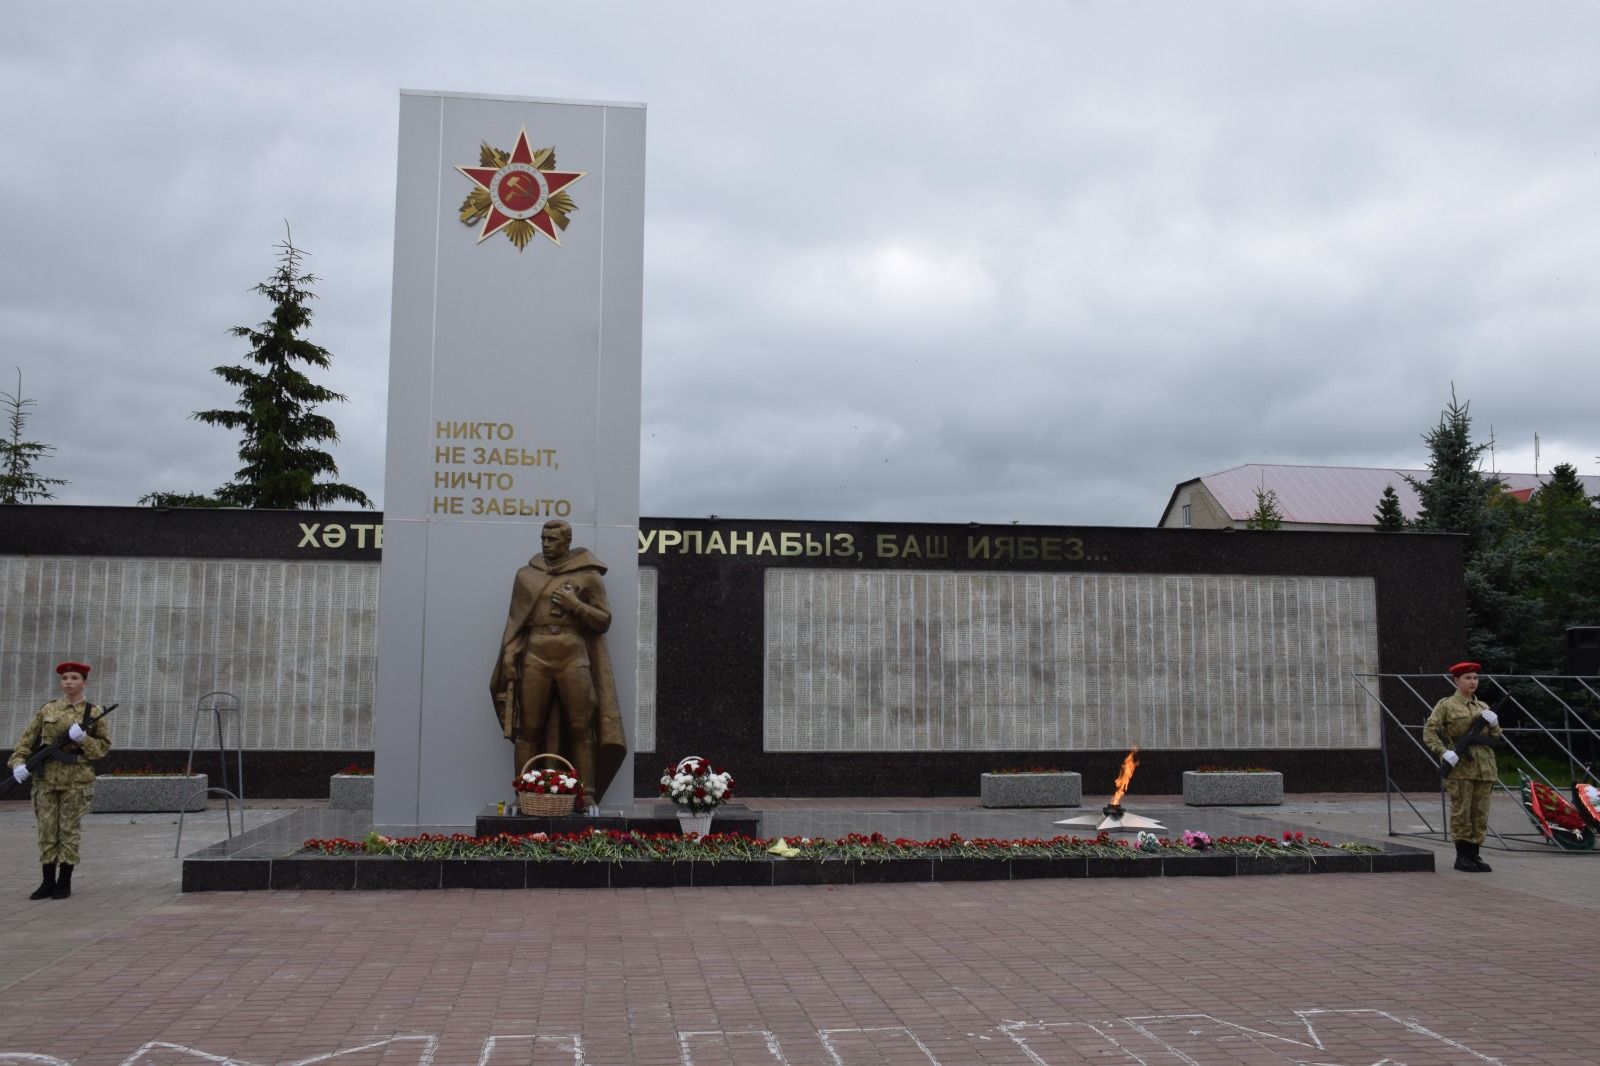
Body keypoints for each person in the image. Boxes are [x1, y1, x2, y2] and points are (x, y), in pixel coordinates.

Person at [490, 520, 626, 810]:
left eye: (552, 539)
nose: (546, 543)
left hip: (572, 653)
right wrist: (510, 656)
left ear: (567, 542)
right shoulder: (525, 576)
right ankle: (524, 790)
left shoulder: (588, 577)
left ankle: (586, 794)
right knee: (529, 727)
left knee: (580, 725)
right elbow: (515, 622)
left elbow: (604, 621)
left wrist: (573, 604)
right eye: (543, 538)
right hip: (535, 654)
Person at [8, 661, 112, 899]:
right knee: (46, 831)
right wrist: (18, 765)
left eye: (74, 678)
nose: (69, 682)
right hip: (45, 781)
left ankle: (64, 882)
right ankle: (47, 882)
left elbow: (101, 751)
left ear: (84, 682)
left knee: (68, 831)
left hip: (76, 782)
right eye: (65, 678)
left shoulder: (93, 713)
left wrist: (84, 739)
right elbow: (25, 743)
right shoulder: (47, 710)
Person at [1423, 661, 1502, 873]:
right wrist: (1443, 751)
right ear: (1456, 680)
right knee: (1462, 812)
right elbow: (1429, 731)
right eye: (1467, 678)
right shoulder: (1446, 705)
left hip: (1485, 767)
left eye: (1475, 678)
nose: (1472, 682)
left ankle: (1475, 854)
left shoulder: (1483, 707)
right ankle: (1462, 857)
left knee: (1480, 813)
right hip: (1460, 767)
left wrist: (1494, 724)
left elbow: (1496, 738)